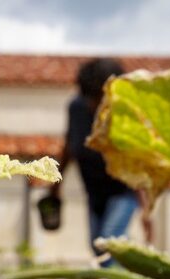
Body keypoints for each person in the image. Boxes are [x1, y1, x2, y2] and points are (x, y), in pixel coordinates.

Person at [47, 57, 141, 265]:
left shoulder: (126, 113)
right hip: (94, 191)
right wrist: (55, 185)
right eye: (91, 97)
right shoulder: (76, 109)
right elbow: (69, 147)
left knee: (108, 241)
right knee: (96, 244)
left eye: (100, 97)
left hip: (123, 191)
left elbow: (139, 157)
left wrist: (146, 205)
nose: (94, 104)